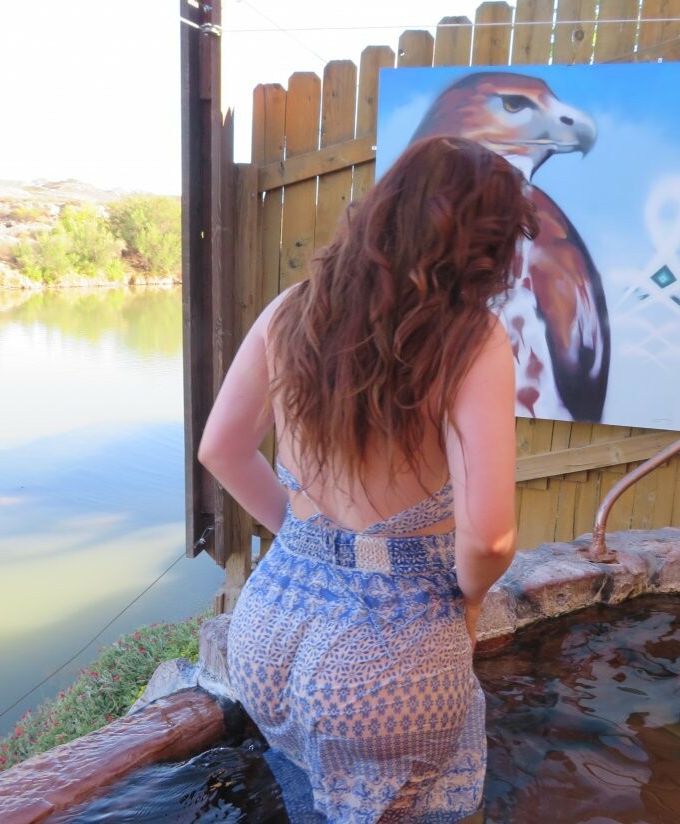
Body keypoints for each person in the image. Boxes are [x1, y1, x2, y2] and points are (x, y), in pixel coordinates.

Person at [197, 135, 538, 823]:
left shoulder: (291, 311)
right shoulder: (472, 341)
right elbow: (489, 539)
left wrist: (303, 542)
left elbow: (221, 450)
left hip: (268, 631)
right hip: (390, 654)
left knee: (307, 802)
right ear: (487, 251)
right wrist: (467, 603)